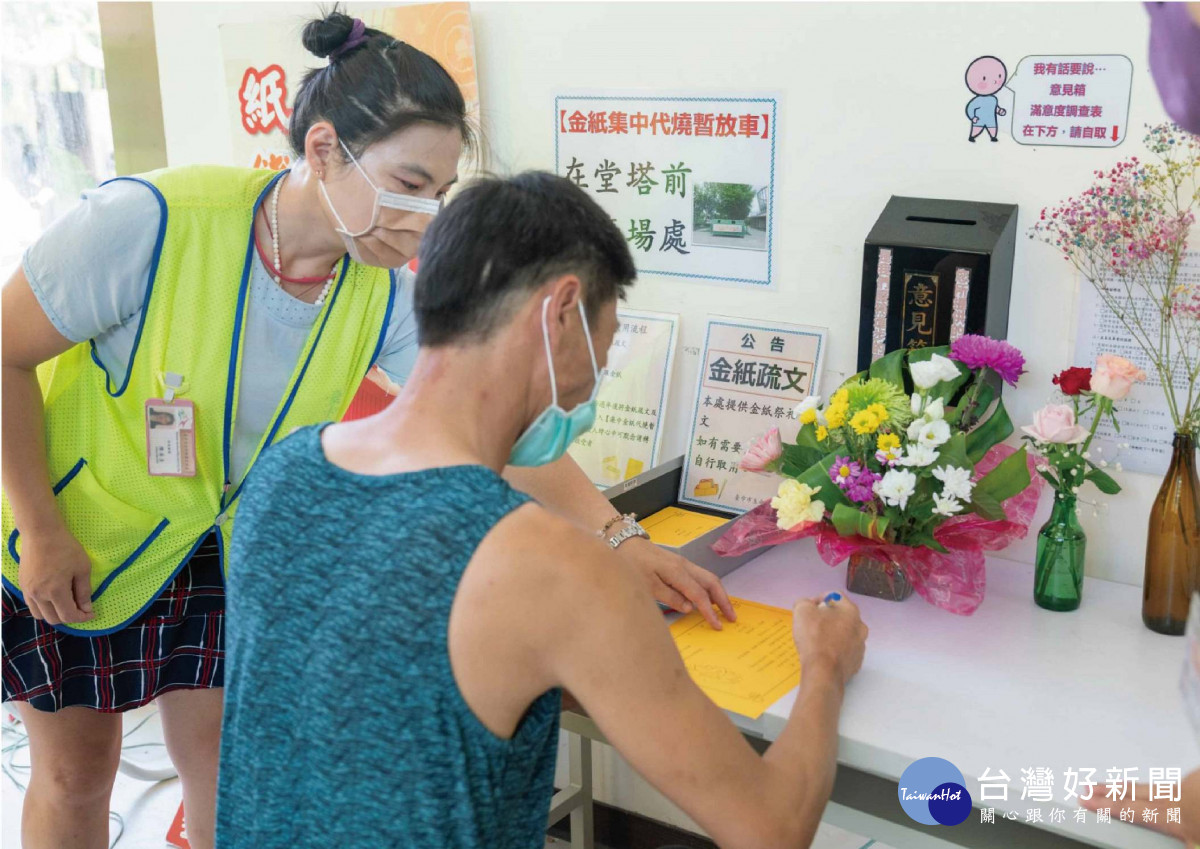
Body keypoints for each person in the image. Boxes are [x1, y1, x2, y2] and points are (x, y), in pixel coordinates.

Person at [0, 11, 730, 849]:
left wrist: (615, 535)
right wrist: (42, 528)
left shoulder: (382, 283)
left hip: (220, 539)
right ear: (322, 151)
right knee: (75, 774)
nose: (426, 216)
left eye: (441, 195)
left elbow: (493, 410)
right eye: (409, 184)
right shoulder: (150, 220)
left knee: (224, 764)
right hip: (84, 527)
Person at [216, 171, 868, 849]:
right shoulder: (547, 564)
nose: (591, 382)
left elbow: (369, 686)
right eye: (603, 349)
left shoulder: (284, 470)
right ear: (560, 312)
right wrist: (825, 666)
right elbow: (770, 826)